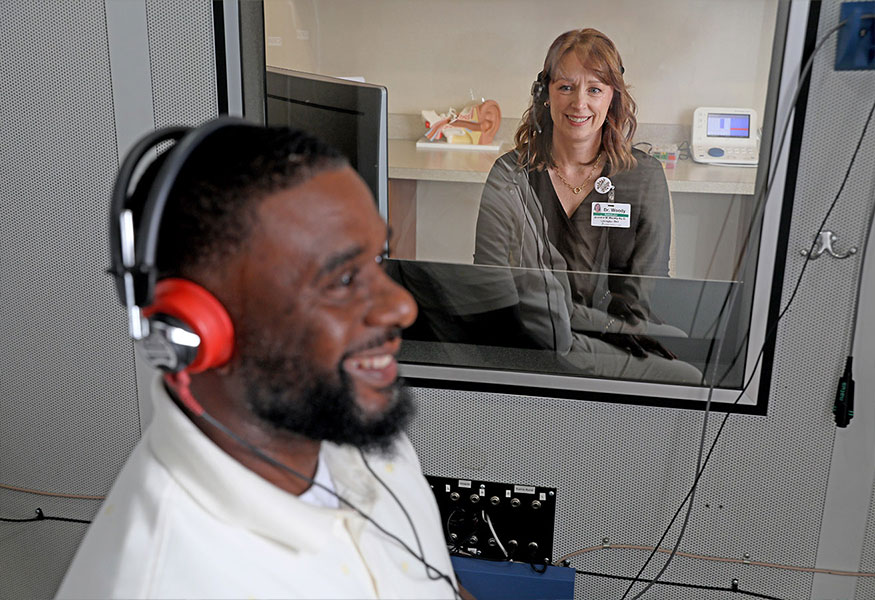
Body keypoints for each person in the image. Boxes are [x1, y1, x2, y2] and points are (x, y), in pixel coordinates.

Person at [56, 121, 459, 599]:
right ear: (200, 330)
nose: (402, 307)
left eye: (378, 259)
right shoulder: (166, 582)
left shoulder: (343, 419)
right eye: (343, 280)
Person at [474, 29, 701, 384]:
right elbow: (490, 281)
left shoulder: (643, 177)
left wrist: (611, 334)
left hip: (616, 332)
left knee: (687, 347)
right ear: (545, 94)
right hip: (532, 338)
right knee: (688, 378)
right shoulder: (511, 174)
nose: (579, 104)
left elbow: (645, 286)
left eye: (594, 89)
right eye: (566, 87)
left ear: (613, 98)